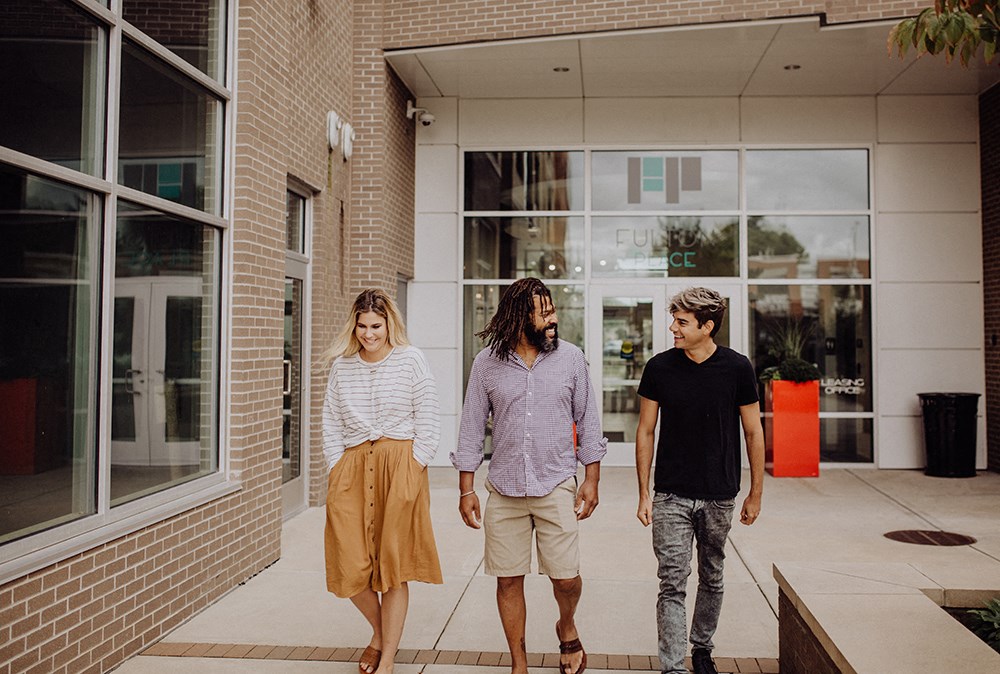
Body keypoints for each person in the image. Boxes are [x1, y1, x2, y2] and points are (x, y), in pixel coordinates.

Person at [452, 277, 607, 674]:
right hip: (503, 489)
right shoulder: (486, 363)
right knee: (507, 581)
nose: (553, 319)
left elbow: (588, 420)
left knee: (566, 579)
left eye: (552, 311)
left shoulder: (571, 358)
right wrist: (466, 488)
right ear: (520, 317)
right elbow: (471, 428)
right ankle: (518, 664)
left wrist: (591, 479)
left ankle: (566, 623)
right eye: (544, 314)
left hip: (556, 484)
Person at [634, 287, 764, 674]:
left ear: (707, 327)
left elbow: (753, 432)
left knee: (712, 574)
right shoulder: (659, 368)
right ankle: (673, 666)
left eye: (682, 322)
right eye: (674, 320)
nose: (673, 327)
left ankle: (702, 648)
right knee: (671, 582)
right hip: (671, 494)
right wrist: (643, 493)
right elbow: (645, 431)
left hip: (719, 494)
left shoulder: (737, 368)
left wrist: (755, 493)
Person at [322, 288, 442, 674]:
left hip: (400, 467)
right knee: (350, 565)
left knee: (393, 567)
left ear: (390, 324)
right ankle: (380, 631)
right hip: (352, 468)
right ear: (353, 325)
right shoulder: (342, 366)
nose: (369, 334)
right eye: (362, 326)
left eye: (376, 326)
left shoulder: (411, 360)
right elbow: (330, 420)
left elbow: (429, 418)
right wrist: (336, 466)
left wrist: (415, 467)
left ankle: (386, 654)